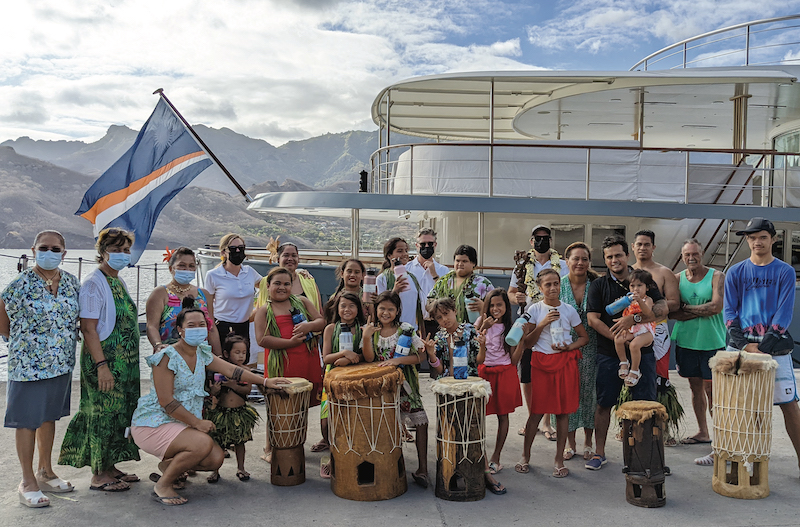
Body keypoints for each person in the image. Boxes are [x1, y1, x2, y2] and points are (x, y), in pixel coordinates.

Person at [131, 306, 288, 505]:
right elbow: (166, 402)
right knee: (203, 444)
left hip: (180, 425)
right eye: (191, 325)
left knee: (215, 458)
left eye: (202, 325)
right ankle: (163, 485)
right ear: (180, 329)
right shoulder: (166, 357)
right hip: (154, 423)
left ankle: (169, 467)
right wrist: (197, 423)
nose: (198, 328)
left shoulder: (202, 353)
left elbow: (233, 371)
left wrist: (264, 381)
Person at [1, 231, 80, 508]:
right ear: (34, 250)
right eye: (44, 247)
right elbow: (2, 311)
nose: (49, 252)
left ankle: (45, 471)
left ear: (64, 253)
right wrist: (14, 338)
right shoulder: (20, 284)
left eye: (55, 248)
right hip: (28, 365)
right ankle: (27, 481)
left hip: (60, 364)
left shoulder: (71, 283)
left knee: (49, 417)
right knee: (26, 421)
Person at [59, 227, 141, 491]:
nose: (122, 254)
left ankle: (111, 465)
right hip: (105, 361)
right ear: (103, 252)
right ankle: (98, 474)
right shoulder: (94, 283)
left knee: (119, 413)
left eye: (126, 250)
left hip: (124, 364)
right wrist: (102, 366)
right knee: (102, 414)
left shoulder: (118, 281)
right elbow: (89, 329)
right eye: (116, 250)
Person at [723, 217, 800, 474]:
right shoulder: (735, 272)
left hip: (775, 349)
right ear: (747, 240)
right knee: (744, 407)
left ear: (773, 239)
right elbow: (729, 312)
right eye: (752, 237)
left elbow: (784, 313)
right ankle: (749, 462)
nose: (757, 241)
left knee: (789, 405)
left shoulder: (785, 271)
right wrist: (746, 346)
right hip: (741, 349)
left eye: (763, 237)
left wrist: (764, 347)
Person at [585, 235, 668, 471]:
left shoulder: (641, 280)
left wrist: (634, 318)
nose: (614, 260)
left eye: (618, 255)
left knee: (646, 406)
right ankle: (599, 453)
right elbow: (593, 319)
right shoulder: (599, 285)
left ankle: (647, 458)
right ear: (605, 259)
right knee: (603, 404)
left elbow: (660, 310)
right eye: (609, 256)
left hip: (643, 352)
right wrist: (617, 337)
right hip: (610, 355)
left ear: (627, 255)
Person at [425, 298, 506, 495]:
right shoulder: (440, 337)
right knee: (450, 434)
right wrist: (432, 355)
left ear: (455, 310)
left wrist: (483, 345)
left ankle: (485, 473)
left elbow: (479, 360)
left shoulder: (469, 330)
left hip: (470, 387)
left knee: (474, 433)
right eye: (439, 317)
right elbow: (440, 369)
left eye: (446, 314)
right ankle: (450, 471)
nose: (444, 319)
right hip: (448, 390)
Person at [516, 269, 589, 478]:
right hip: (541, 364)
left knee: (563, 412)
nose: (553, 288)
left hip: (565, 363)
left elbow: (584, 337)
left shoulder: (569, 310)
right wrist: (542, 324)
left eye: (556, 283)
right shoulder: (535, 309)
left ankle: (558, 459)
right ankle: (525, 455)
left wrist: (569, 347)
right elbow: (527, 343)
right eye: (547, 284)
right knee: (536, 412)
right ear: (540, 288)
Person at [253, 267, 326, 460]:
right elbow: (262, 339)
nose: (282, 287)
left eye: (286, 284)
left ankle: (295, 443)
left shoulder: (301, 301)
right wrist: (290, 343)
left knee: (300, 404)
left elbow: (321, 321)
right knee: (277, 406)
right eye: (277, 283)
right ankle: (269, 447)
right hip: (281, 364)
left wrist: (309, 325)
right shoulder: (263, 310)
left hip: (306, 360)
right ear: (268, 286)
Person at [361, 291, 430, 487]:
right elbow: (368, 358)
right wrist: (366, 337)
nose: (386, 312)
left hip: (406, 386)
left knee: (421, 423)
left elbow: (421, 357)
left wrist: (398, 360)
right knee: (387, 427)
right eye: (382, 308)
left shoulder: (405, 329)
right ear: (375, 309)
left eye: (391, 309)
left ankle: (423, 468)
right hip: (383, 389)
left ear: (397, 310)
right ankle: (391, 469)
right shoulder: (372, 331)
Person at [508, 225, 567, 439]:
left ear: (551, 240)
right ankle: (532, 417)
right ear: (531, 241)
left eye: (546, 238)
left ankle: (547, 422)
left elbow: (565, 290)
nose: (542, 241)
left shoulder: (562, 265)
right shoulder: (522, 266)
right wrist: (517, 299)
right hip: (529, 322)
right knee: (528, 374)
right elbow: (511, 293)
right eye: (537, 238)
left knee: (550, 372)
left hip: (555, 322)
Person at [669, 239, 725, 463]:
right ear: (682, 256)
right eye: (687, 254)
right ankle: (703, 432)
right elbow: (673, 313)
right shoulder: (677, 279)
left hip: (712, 342)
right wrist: (700, 310)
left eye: (695, 254)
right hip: (687, 342)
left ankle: (721, 437)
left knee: (714, 393)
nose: (691, 258)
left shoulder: (717, 276)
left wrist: (688, 309)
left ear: (702, 254)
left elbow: (716, 307)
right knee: (695, 388)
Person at [632, 229, 681, 444]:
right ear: (633, 247)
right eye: (639, 244)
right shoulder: (626, 271)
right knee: (631, 374)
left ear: (653, 247)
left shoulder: (664, 272)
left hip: (656, 331)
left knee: (659, 377)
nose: (642, 248)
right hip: (631, 330)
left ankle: (662, 426)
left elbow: (674, 303)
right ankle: (630, 423)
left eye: (646, 244)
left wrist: (649, 312)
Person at [475, 289, 523, 475]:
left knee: (503, 415)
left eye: (499, 305)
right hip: (483, 373)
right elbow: (474, 346)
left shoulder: (511, 326)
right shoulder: (480, 322)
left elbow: (513, 360)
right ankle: (480, 455)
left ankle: (496, 457)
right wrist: (482, 327)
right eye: (492, 305)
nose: (495, 308)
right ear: (486, 307)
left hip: (504, 373)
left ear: (506, 306)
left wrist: (522, 341)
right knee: (478, 416)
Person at [319, 291, 367, 478]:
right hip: (333, 379)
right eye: (343, 306)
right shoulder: (331, 328)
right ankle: (332, 455)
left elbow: (367, 355)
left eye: (351, 306)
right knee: (326, 423)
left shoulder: (363, 329)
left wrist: (353, 358)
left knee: (353, 421)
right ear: (337, 309)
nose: (347, 309)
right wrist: (344, 354)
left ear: (359, 309)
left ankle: (351, 458)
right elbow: (326, 357)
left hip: (356, 380)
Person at [559, 242, 599, 461]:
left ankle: (588, 442)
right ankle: (570, 443)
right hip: (564, 350)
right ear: (567, 261)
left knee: (589, 395)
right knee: (568, 396)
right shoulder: (559, 284)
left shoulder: (597, 285)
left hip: (592, 348)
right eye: (575, 258)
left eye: (584, 259)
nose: (580, 263)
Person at [146, 246, 221, 356]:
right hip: (169, 354)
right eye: (182, 265)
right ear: (171, 269)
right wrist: (158, 345)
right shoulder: (160, 294)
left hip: (200, 356)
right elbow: (152, 326)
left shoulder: (204, 295)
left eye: (191, 266)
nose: (187, 269)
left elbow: (212, 328)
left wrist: (219, 356)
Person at [205, 334, 260, 483]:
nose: (241, 356)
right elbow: (214, 394)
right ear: (226, 354)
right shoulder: (220, 370)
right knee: (218, 442)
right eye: (237, 352)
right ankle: (215, 470)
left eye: (244, 352)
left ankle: (241, 468)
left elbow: (247, 390)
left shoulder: (246, 370)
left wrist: (232, 385)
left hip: (239, 412)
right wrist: (215, 390)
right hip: (221, 412)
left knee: (240, 442)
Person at [205, 233, 262, 342]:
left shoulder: (249, 272)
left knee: (244, 359)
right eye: (233, 248)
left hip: (244, 326)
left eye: (241, 248)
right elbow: (208, 306)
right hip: (222, 326)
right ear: (223, 252)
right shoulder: (213, 275)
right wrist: (211, 330)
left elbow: (267, 286)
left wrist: (258, 309)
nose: (237, 251)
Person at [427, 244, 494, 323]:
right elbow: (429, 303)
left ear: (473, 264)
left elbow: (496, 308)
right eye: (457, 261)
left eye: (464, 261)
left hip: (474, 330)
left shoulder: (483, 283)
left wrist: (483, 307)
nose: (460, 264)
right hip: (446, 330)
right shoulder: (444, 282)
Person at [614, 269, 657, 388]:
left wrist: (639, 301)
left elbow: (648, 313)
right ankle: (623, 362)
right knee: (618, 339)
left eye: (639, 285)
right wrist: (620, 303)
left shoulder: (647, 299)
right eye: (632, 286)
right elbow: (625, 314)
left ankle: (635, 370)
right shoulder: (629, 300)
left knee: (634, 345)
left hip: (646, 330)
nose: (635, 289)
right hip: (633, 329)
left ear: (647, 287)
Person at [405, 228, 450, 337]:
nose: (426, 247)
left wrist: (434, 274)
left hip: (436, 323)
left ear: (435, 245)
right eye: (423, 244)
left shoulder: (443, 270)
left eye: (430, 244)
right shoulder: (407, 269)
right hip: (412, 323)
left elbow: (446, 295)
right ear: (417, 245)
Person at [256, 242, 323, 311]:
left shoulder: (309, 281)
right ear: (278, 259)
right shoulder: (266, 282)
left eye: (294, 256)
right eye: (286, 255)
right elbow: (258, 310)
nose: (290, 259)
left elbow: (319, 311)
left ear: (298, 259)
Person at [377, 237, 425, 330]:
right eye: (400, 251)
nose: (404, 254)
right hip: (393, 330)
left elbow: (417, 307)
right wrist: (394, 292)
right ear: (390, 255)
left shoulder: (412, 277)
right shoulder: (382, 278)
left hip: (412, 330)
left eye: (406, 250)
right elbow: (380, 306)